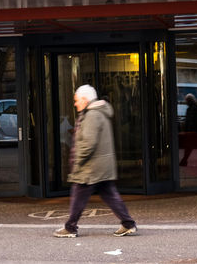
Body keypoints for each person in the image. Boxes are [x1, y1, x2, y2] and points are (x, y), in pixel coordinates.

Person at [53, 84, 137, 238]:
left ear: (85, 100)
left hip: (91, 167)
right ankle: (128, 224)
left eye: (77, 100)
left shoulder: (92, 115)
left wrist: (78, 162)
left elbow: (88, 143)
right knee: (109, 195)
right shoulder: (98, 113)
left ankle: (70, 227)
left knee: (79, 195)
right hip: (100, 165)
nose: (75, 103)